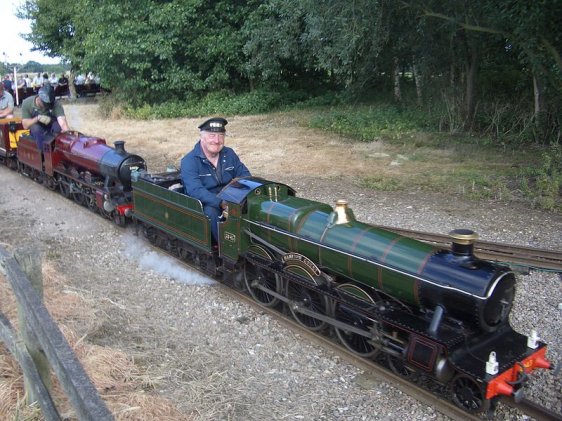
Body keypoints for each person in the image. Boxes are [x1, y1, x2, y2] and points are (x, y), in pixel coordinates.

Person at [180, 117, 251, 241]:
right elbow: (195, 190)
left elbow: (245, 175)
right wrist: (221, 202)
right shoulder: (189, 161)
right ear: (202, 137)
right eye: (212, 135)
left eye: (221, 135)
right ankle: (224, 248)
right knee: (211, 213)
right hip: (206, 202)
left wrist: (241, 196)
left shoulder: (229, 154)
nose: (217, 140)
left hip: (231, 197)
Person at [21, 84, 70, 150]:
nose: (48, 106)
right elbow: (25, 125)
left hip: (51, 124)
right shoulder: (27, 103)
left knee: (58, 127)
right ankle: (43, 154)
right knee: (36, 129)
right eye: (46, 104)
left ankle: (59, 150)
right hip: (36, 126)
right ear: (38, 99)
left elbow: (62, 121)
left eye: (50, 104)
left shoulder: (55, 104)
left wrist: (67, 134)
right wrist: (37, 118)